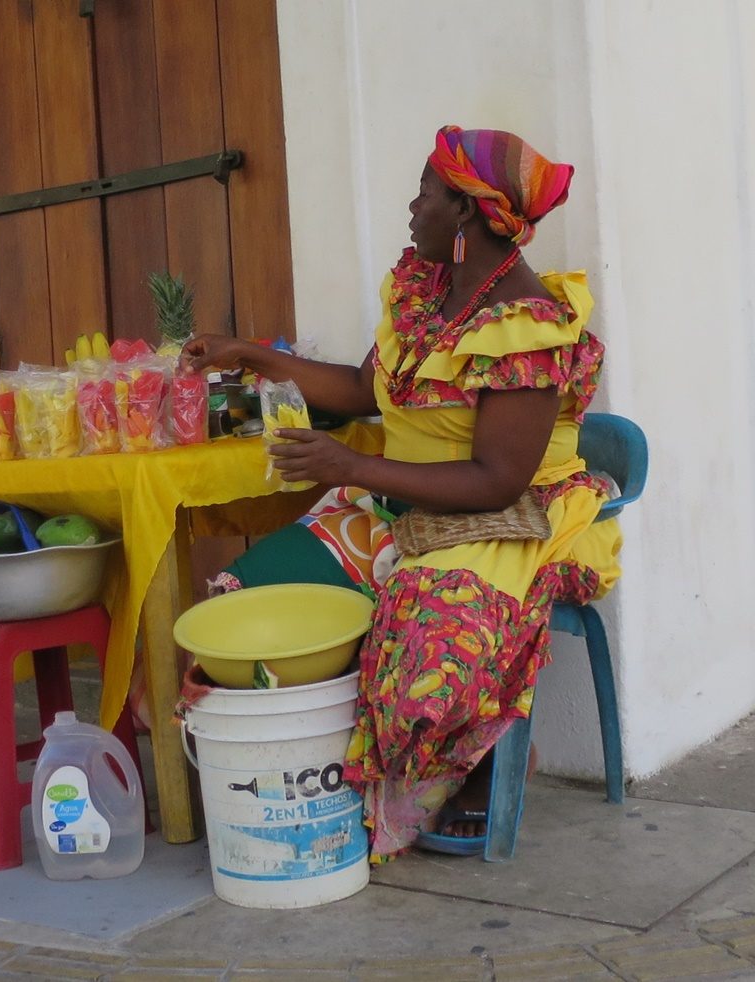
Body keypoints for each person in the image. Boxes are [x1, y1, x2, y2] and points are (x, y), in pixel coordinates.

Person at [178, 125, 622, 861]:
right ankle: (306, 770)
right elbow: (361, 390)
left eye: (426, 191)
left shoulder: (529, 324)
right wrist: (250, 354)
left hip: (505, 521)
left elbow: (496, 480)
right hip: (397, 504)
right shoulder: (425, 289)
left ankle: (484, 749)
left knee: (430, 671)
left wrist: (349, 471)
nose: (412, 206)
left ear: (471, 211)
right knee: (241, 603)